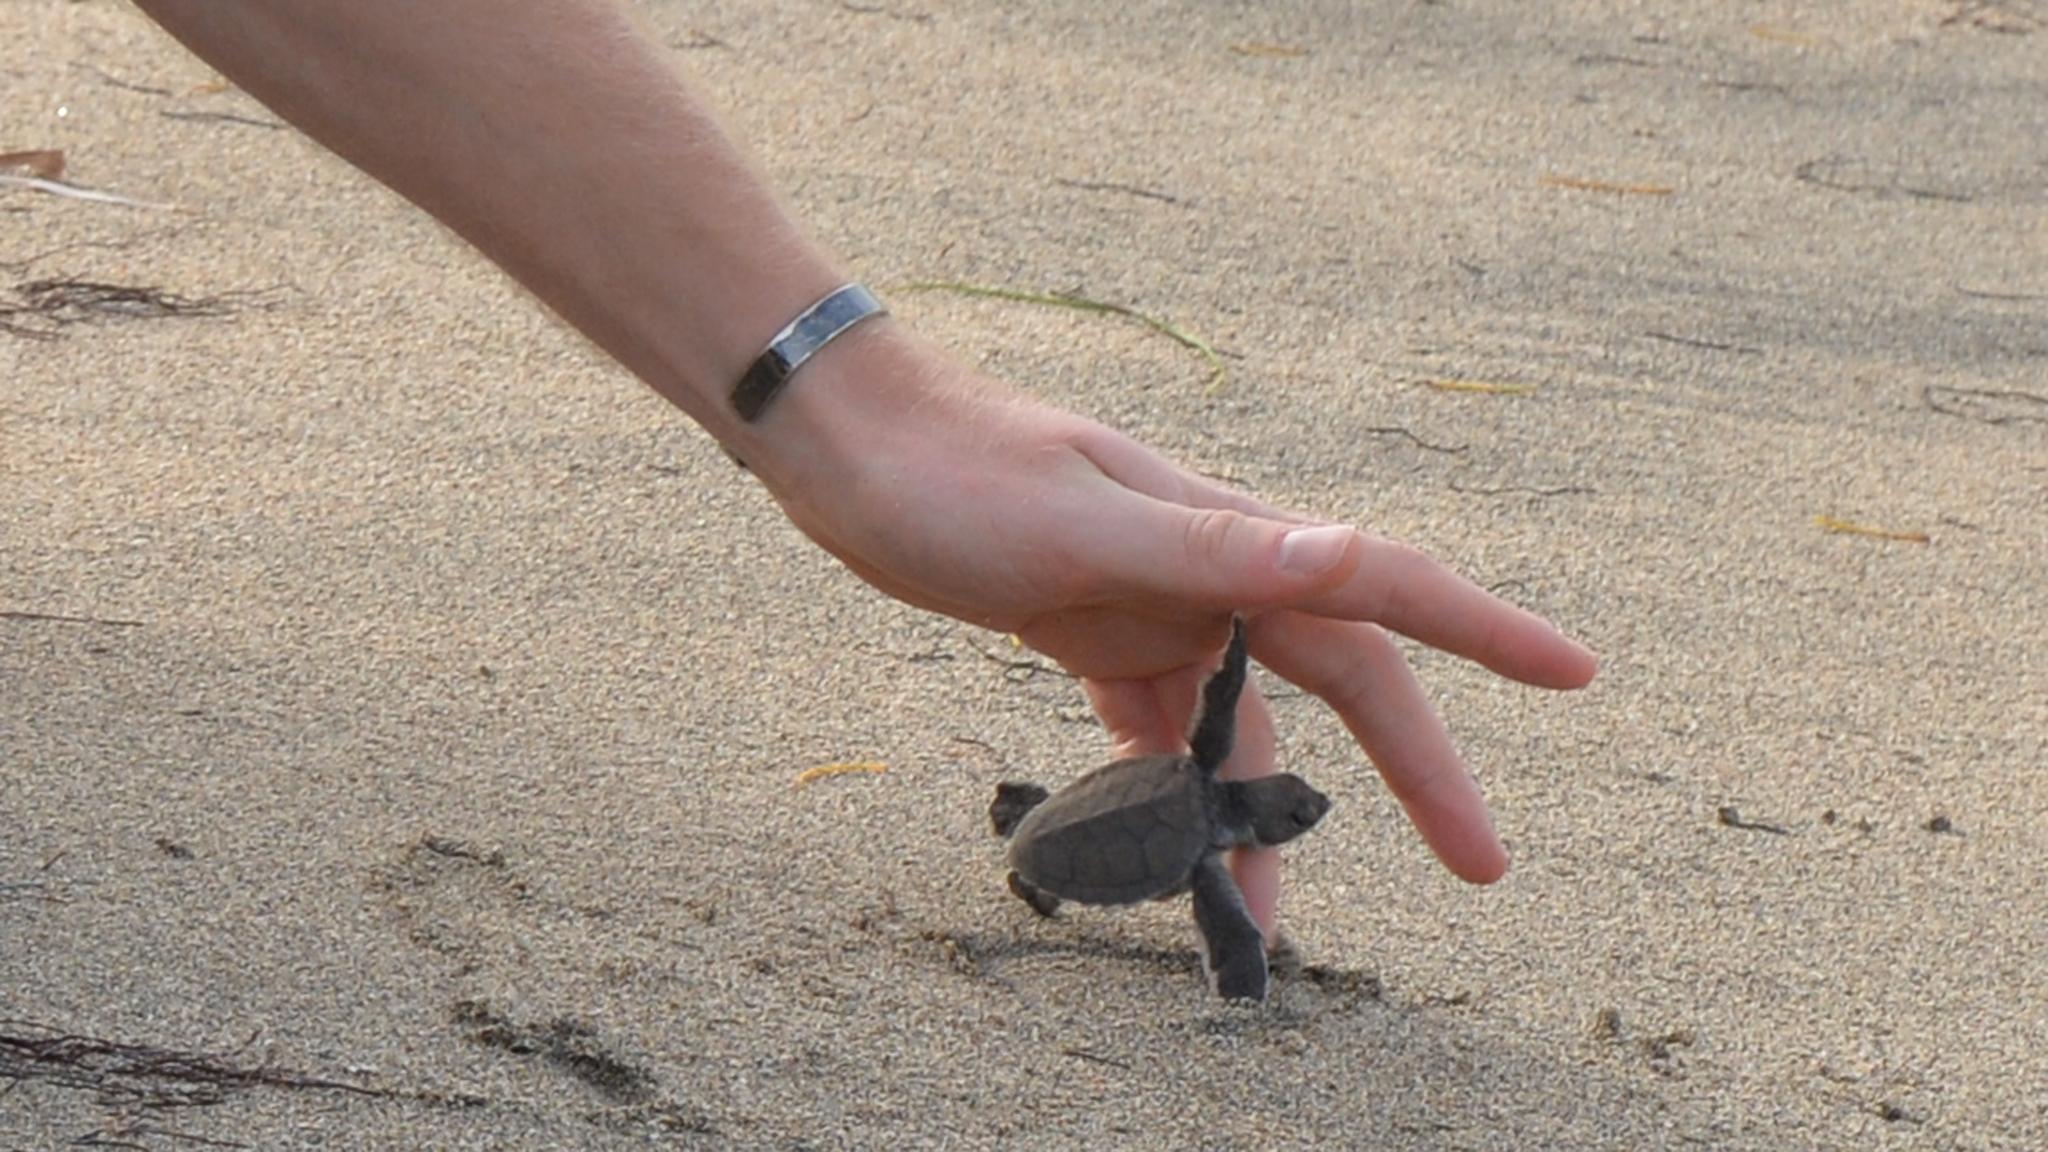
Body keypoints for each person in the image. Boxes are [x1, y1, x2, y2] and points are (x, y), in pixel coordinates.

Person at [131, 0, 1597, 943]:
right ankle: (1034, 846)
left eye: (1284, 815)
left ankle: (1032, 830)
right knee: (1125, 871)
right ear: (1241, 826)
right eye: (1284, 817)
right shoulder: (1209, 816)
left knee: (1092, 812)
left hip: (1101, 784)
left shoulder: (1201, 775)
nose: (1282, 814)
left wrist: (856, 413)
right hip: (1109, 827)